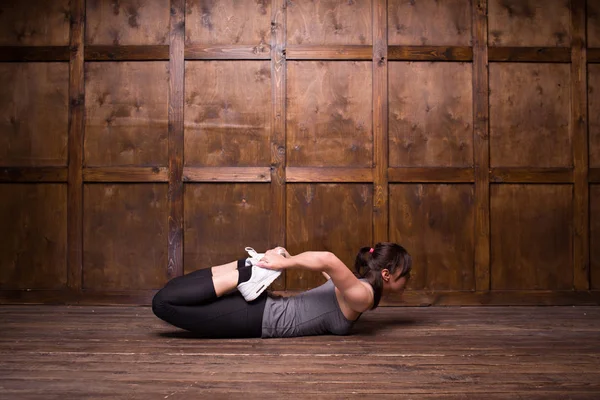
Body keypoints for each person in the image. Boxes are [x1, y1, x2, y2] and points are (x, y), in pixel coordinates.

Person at [152, 242, 412, 338]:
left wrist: (286, 258)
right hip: (259, 318)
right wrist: (286, 261)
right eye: (406, 275)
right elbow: (328, 260)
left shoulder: (356, 286)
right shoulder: (364, 296)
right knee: (163, 303)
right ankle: (249, 272)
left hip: (260, 310)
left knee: (169, 294)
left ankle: (248, 268)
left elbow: (329, 271)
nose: (408, 281)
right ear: (387, 275)